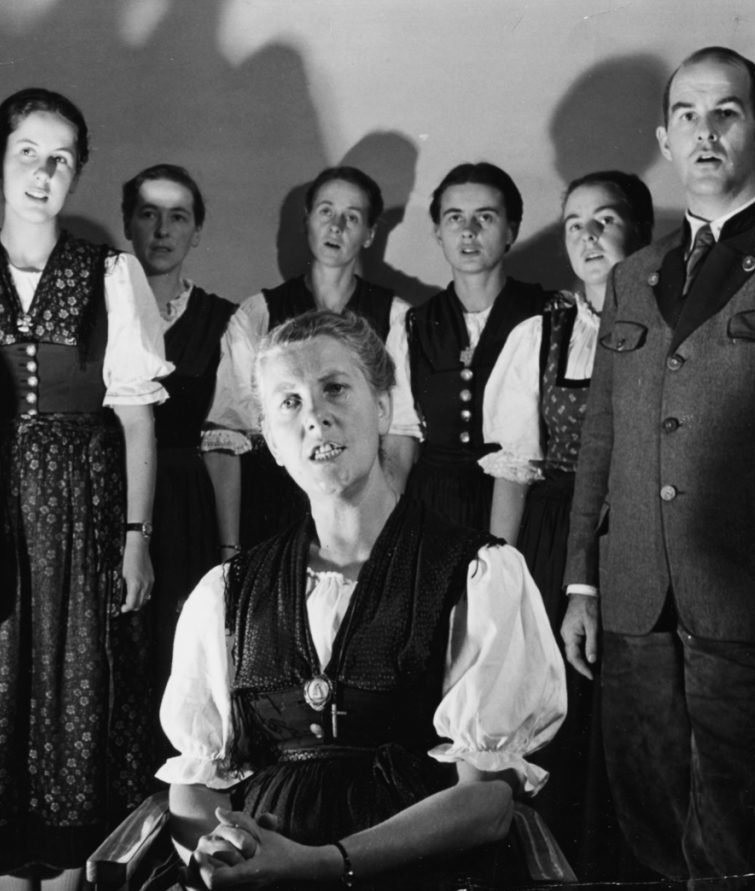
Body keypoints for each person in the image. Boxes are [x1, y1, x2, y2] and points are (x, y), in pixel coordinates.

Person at [113, 310, 565, 891]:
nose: (315, 418)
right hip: (260, 879)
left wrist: (320, 862)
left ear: (383, 406)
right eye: (289, 402)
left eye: (336, 389)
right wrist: (207, 849)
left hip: (410, 882)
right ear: (268, 433)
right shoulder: (228, 593)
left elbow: (487, 803)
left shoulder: (477, 574)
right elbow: (198, 776)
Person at [562, 47, 755, 891]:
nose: (705, 131)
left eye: (726, 113)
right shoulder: (635, 277)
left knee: (744, 833)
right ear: (664, 138)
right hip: (636, 595)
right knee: (651, 821)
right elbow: (601, 436)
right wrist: (582, 586)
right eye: (687, 114)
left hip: (754, 594)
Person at [0, 89, 171, 891]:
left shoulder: (108, 273)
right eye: (30, 153)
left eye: (63, 157)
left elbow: (138, 416)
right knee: (2, 697)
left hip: (87, 513)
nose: (45, 172)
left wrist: (137, 539)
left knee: (81, 691)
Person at [482, 170, 655, 891]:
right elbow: (515, 470)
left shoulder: (672, 321)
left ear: (640, 235)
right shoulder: (538, 336)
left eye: (605, 221)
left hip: (650, 540)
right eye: (573, 223)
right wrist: (505, 580)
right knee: (557, 726)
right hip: (557, 545)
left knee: (639, 731)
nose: (586, 238)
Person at [204, 166, 421, 549]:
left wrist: (383, 532)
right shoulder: (258, 313)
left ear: (369, 234)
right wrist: (229, 547)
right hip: (273, 509)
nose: (336, 226)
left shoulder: (394, 316)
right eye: (326, 211)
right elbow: (229, 432)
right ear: (307, 222)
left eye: (352, 217)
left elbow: (399, 435)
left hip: (362, 513)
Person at [120, 163, 236, 713]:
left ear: (197, 232)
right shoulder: (99, 312)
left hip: (187, 507)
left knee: (183, 651)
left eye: (178, 217)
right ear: (128, 225)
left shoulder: (224, 321)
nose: (162, 231)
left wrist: (229, 552)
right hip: (111, 497)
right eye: (148, 214)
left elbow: (224, 444)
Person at [404, 162, 546, 540]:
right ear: (437, 232)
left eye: (485, 217)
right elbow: (400, 445)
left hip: (529, 512)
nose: (468, 231)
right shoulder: (413, 325)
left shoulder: (550, 313)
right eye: (454, 218)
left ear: (511, 231)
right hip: (436, 512)